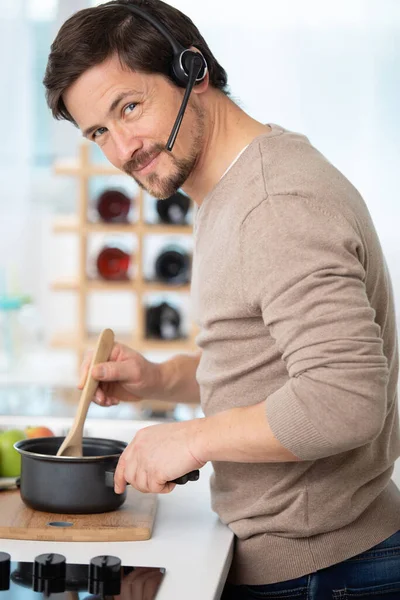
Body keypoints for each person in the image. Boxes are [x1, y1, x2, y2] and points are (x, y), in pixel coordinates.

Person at [43, 1, 400, 597]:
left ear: (194, 70)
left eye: (129, 107)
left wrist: (191, 438)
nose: (122, 148)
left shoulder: (274, 203)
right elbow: (273, 370)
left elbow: (344, 398)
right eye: (99, 132)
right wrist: (160, 378)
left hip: (327, 572)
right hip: (316, 562)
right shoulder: (234, 185)